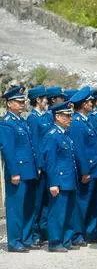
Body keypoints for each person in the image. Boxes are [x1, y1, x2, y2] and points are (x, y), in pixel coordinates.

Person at [1, 85, 39, 252]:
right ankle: (15, 241)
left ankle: (26, 237)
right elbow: (8, 151)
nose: (22, 104)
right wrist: (14, 172)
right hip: (18, 171)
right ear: (9, 103)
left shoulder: (22, 121)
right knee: (16, 207)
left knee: (29, 205)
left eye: (23, 101)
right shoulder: (7, 123)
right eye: (18, 101)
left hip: (29, 170)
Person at [41, 101, 79, 252]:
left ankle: (66, 239)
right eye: (66, 116)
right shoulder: (52, 136)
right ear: (57, 117)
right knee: (57, 212)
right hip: (60, 180)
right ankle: (55, 241)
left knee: (69, 211)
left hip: (69, 179)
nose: (69, 118)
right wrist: (53, 183)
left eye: (70, 115)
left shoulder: (64, 135)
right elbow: (50, 162)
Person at [69, 86, 97, 245]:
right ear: (82, 104)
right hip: (87, 169)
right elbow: (79, 150)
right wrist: (85, 170)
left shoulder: (86, 120)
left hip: (95, 169)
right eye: (89, 101)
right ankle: (77, 234)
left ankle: (90, 231)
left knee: (92, 202)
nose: (92, 104)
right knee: (82, 203)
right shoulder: (76, 123)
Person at [26, 85, 50, 245]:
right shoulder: (33, 118)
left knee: (46, 201)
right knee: (37, 201)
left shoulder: (44, 117)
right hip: (40, 166)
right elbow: (35, 144)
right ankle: (35, 234)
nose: (46, 101)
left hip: (48, 164)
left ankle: (43, 231)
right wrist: (39, 165)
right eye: (44, 99)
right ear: (37, 100)